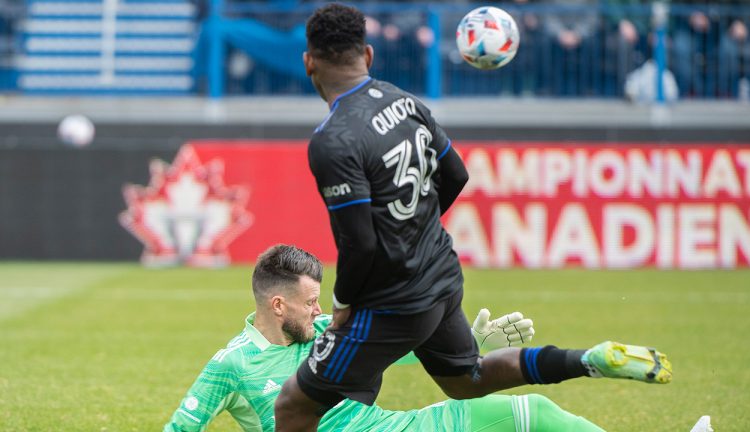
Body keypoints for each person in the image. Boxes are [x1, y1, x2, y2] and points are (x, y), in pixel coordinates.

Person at [274, 4, 672, 432]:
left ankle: (586, 360)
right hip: (441, 275)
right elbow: (457, 174)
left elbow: (361, 243)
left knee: (293, 406)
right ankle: (587, 360)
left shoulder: (333, 140)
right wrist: (417, 234)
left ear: (308, 62)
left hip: (394, 302)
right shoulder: (405, 101)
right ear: (368, 55)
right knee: (468, 378)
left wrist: (342, 305)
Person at [165, 244, 710, 432]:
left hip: (393, 427)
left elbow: (383, 355)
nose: (319, 309)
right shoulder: (229, 366)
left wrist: (467, 346)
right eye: (311, 301)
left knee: (536, 413)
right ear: (277, 304)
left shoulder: (317, 338)